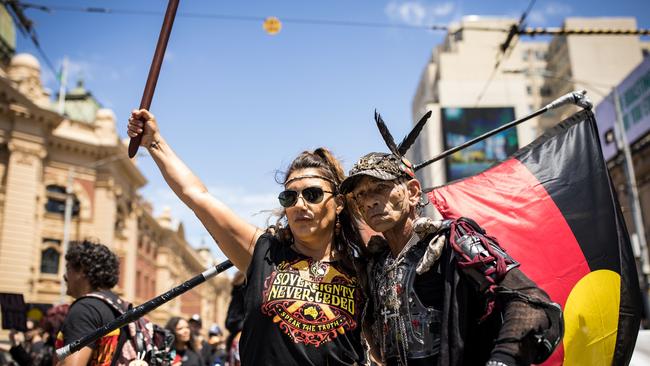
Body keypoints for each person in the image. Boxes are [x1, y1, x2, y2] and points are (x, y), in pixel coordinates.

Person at [127, 110, 368, 365]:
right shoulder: (264, 253)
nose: (299, 204)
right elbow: (197, 196)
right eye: (289, 196)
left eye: (312, 194)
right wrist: (154, 142)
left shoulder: (362, 270)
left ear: (339, 203)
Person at [340, 151, 563, 366]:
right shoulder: (374, 267)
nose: (370, 201)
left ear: (413, 192)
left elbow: (531, 302)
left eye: (381, 187)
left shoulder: (455, 243)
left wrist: (503, 359)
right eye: (360, 194)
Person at [55, 240, 122, 366]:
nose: (64, 276)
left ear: (83, 270)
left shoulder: (85, 309)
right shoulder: (120, 307)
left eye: (68, 269)